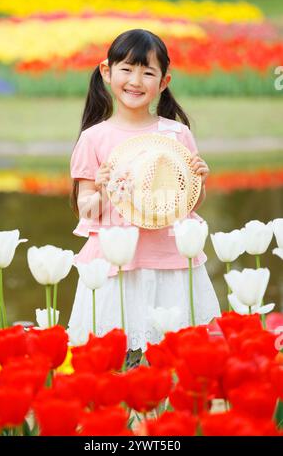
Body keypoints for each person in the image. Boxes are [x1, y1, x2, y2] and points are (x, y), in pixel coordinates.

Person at [68, 29, 221, 368]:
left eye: (148, 72)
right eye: (127, 69)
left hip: (169, 258)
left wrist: (199, 180)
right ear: (107, 72)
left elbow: (188, 203)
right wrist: (104, 188)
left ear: (163, 81)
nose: (135, 80)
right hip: (116, 265)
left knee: (170, 356)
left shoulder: (176, 134)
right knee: (117, 357)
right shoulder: (95, 139)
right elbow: (86, 208)